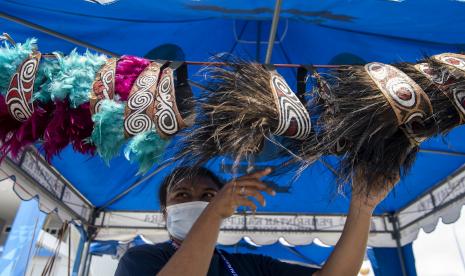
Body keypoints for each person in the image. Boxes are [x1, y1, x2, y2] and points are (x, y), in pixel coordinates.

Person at [115, 166, 399, 276]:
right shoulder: (139, 260)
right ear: (165, 212)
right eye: (182, 195)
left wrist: (363, 205)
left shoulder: (247, 267)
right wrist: (214, 212)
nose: (197, 201)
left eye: (208, 195)